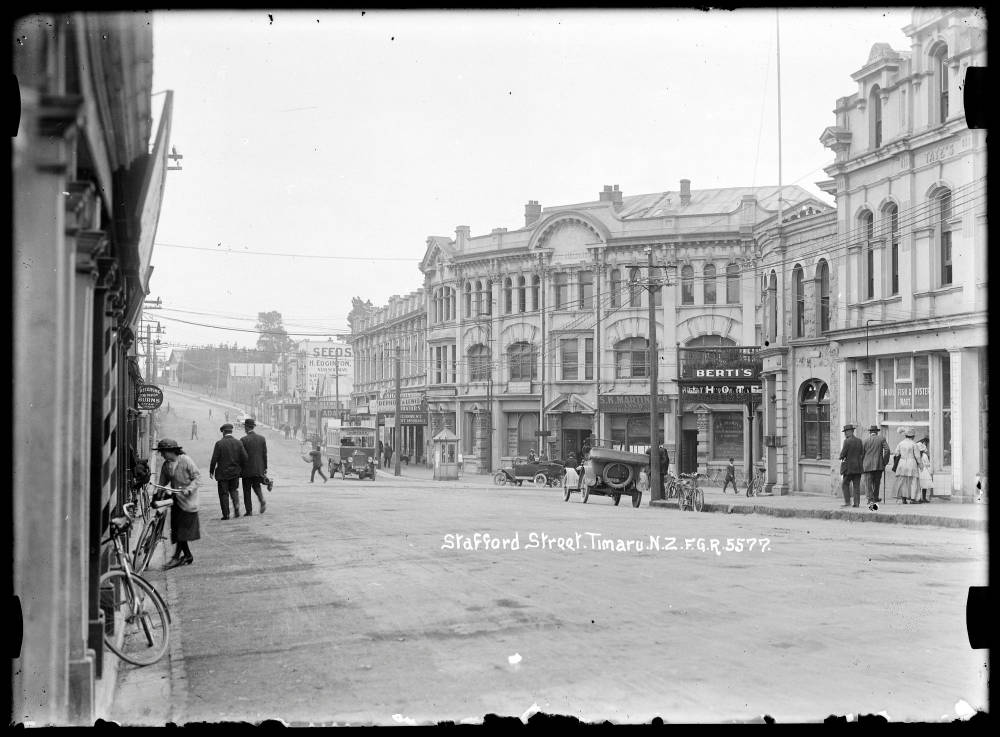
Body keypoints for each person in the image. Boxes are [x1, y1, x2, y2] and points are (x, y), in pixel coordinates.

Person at [155, 438, 200, 568]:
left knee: (182, 529)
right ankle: (186, 556)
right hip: (176, 500)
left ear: (171, 451)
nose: (162, 455)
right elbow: (162, 483)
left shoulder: (185, 460)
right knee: (177, 529)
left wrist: (189, 489)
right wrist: (157, 494)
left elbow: (197, 477)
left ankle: (177, 557)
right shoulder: (166, 465)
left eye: (163, 452)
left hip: (188, 500)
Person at [209, 423, 247, 520]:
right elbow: (245, 457)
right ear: (231, 431)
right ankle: (236, 506)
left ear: (223, 432)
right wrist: (240, 467)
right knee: (234, 490)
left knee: (224, 494)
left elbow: (214, 459)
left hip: (222, 474)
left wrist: (211, 471)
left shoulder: (219, 444)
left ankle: (226, 514)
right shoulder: (238, 443)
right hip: (235, 472)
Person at [240, 418, 268, 515]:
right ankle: (261, 500)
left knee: (246, 490)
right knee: (257, 486)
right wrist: (265, 468)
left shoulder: (243, 440)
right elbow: (264, 454)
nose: (244, 428)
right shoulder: (262, 438)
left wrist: (240, 468)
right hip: (258, 468)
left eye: (245, 426)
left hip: (247, 470)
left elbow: (241, 456)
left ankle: (249, 511)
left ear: (247, 427)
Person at [861, 424, 891, 505]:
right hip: (878, 464)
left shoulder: (865, 441)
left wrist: (862, 463)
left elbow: (862, 454)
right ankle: (876, 497)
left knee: (868, 483)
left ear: (870, 432)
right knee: (877, 482)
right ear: (876, 432)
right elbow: (887, 450)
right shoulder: (881, 439)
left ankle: (870, 499)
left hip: (867, 465)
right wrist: (884, 461)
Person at [892, 427, 922, 504]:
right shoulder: (914, 444)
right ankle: (913, 499)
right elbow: (917, 456)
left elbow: (896, 453)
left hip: (902, 463)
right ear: (912, 436)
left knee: (903, 481)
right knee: (913, 481)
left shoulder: (900, 443)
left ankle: (903, 498)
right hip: (911, 463)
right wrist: (921, 465)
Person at [838, 424, 864, 508]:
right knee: (856, 486)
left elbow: (843, 453)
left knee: (845, 484)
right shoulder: (859, 441)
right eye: (845, 432)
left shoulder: (847, 441)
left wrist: (841, 456)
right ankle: (856, 503)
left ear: (851, 431)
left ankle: (847, 502)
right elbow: (862, 453)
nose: (845, 434)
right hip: (858, 467)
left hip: (849, 467)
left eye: (846, 432)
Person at [917, 436, 933, 503]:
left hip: (918, 471)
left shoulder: (917, 456)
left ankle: (919, 498)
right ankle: (924, 498)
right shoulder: (924, 455)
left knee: (918, 486)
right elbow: (927, 464)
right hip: (924, 471)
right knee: (924, 486)